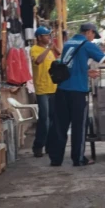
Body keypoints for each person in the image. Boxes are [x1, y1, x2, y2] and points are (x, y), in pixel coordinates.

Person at [48, 23, 105, 167]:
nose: (93, 39)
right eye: (93, 35)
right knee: (79, 126)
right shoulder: (86, 44)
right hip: (78, 92)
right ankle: (78, 159)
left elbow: (71, 67)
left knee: (60, 125)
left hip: (62, 89)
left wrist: (86, 72)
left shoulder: (68, 43)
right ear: (89, 32)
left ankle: (55, 159)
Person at [30, 26, 60, 158]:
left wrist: (53, 48)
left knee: (53, 119)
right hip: (42, 89)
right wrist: (48, 49)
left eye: (49, 35)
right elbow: (38, 61)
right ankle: (38, 146)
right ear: (39, 37)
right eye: (46, 35)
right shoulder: (34, 49)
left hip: (53, 88)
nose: (48, 37)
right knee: (44, 119)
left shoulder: (50, 51)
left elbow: (58, 55)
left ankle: (49, 145)